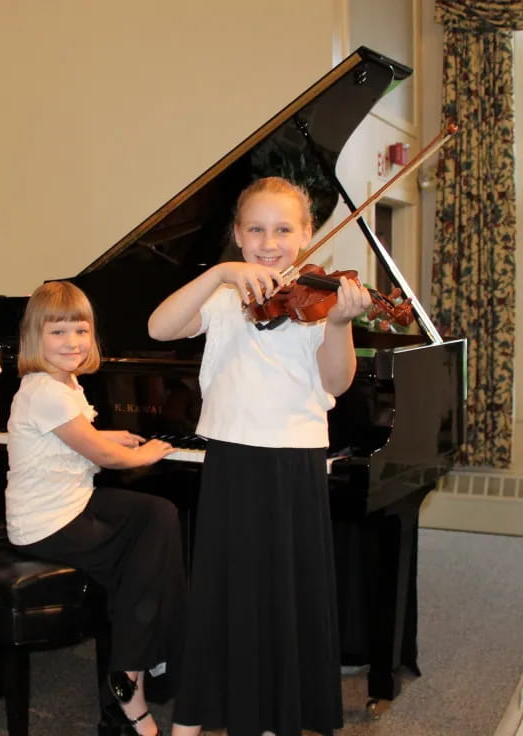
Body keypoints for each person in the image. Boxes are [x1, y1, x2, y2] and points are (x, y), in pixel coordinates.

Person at [148, 176, 372, 736]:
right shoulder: (224, 299)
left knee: (283, 595)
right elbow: (159, 328)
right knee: (225, 589)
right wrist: (219, 273)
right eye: (256, 229)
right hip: (232, 458)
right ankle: (201, 712)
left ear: (307, 234)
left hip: (294, 461)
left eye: (283, 229)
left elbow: (337, 382)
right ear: (238, 235)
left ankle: (278, 714)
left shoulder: (319, 300)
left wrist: (340, 323)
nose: (269, 242)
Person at [5, 280, 186, 736]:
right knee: (143, 551)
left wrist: (109, 435)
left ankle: (142, 657)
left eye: (80, 331)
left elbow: (71, 440)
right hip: (47, 523)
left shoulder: (62, 384)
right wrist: (139, 452)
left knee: (157, 516)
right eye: (58, 332)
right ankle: (133, 676)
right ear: (35, 338)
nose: (72, 342)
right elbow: (102, 458)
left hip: (70, 505)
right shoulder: (46, 389)